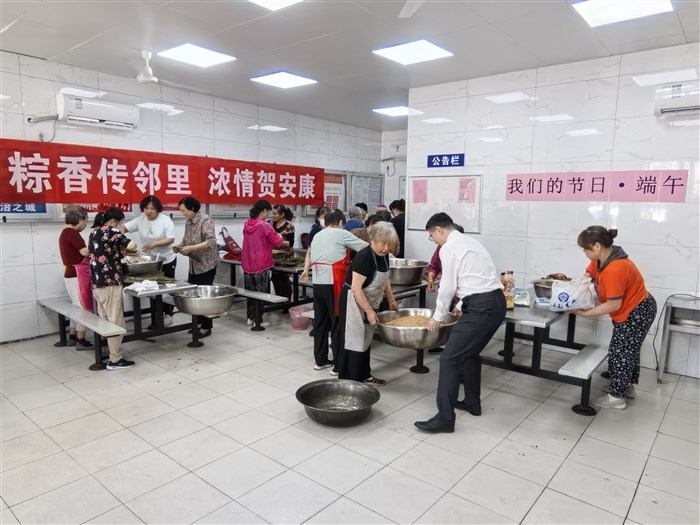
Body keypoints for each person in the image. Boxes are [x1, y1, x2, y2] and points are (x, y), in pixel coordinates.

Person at [414, 213, 506, 433]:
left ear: (439, 230)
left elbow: (447, 287)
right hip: (496, 303)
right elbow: (480, 279)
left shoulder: (449, 248)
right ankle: (472, 403)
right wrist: (463, 303)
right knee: (468, 354)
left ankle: (445, 418)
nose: (434, 241)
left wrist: (437, 317)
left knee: (449, 359)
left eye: (432, 237)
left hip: (481, 308)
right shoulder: (471, 243)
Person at [571, 226, 657, 409]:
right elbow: (591, 271)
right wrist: (581, 283)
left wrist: (584, 313)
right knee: (627, 351)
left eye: (585, 248)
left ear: (597, 246)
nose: (584, 252)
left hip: (637, 312)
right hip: (634, 309)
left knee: (621, 352)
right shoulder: (603, 258)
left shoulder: (616, 268)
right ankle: (625, 388)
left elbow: (613, 305)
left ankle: (616, 397)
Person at [301, 209, 367, 371]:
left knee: (321, 322)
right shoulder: (341, 233)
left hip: (318, 282)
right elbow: (366, 247)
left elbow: (310, 254)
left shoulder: (318, 235)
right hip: (334, 282)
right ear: (341, 222)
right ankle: (338, 365)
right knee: (337, 322)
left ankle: (320, 360)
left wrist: (305, 270)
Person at [337, 222, 400, 384]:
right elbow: (356, 288)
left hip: (370, 301)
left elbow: (385, 279)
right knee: (354, 341)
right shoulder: (364, 257)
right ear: (373, 239)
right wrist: (369, 311)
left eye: (389, 244)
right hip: (353, 301)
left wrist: (391, 299)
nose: (386, 248)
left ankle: (364, 375)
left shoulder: (384, 256)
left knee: (366, 339)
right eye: (382, 244)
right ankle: (349, 382)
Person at [88, 207, 137, 370]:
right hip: (110, 283)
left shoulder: (94, 231)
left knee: (104, 320)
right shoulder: (111, 231)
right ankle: (115, 359)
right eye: (121, 222)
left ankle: (107, 352)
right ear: (114, 221)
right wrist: (121, 233)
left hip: (97, 283)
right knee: (115, 321)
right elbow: (132, 245)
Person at [122, 196, 176, 326]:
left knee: (166, 288)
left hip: (166, 259)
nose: (148, 211)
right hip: (151, 261)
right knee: (152, 289)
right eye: (146, 208)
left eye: (151, 209)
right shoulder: (141, 219)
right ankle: (156, 316)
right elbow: (123, 227)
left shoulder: (165, 220)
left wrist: (155, 244)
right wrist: (120, 238)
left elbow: (170, 239)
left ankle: (168, 314)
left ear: (158, 209)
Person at [173, 196, 218, 338]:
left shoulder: (205, 220)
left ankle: (206, 326)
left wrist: (191, 248)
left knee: (204, 296)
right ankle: (197, 323)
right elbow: (186, 239)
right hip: (193, 263)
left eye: (184, 210)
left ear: (192, 208)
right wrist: (179, 246)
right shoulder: (188, 221)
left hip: (206, 264)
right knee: (194, 295)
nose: (183, 213)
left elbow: (211, 242)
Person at [242, 200, 289, 326]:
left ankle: (250, 317)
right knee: (261, 293)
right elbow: (277, 241)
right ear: (264, 211)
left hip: (247, 262)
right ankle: (258, 320)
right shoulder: (264, 225)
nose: (269, 215)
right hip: (261, 263)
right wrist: (280, 236)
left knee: (250, 293)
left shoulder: (247, 223)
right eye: (268, 212)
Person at [425, 224, 465, 355]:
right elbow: (433, 265)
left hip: (462, 294)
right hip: (451, 293)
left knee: (458, 321)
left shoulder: (460, 249)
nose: (434, 241)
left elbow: (452, 282)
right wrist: (431, 279)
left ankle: (453, 347)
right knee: (447, 317)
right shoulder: (442, 247)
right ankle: (444, 343)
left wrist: (460, 304)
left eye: (432, 236)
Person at [58, 205, 93, 350]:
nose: (86, 224)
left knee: (76, 306)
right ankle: (81, 339)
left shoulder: (64, 232)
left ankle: (72, 336)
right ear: (80, 219)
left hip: (69, 273)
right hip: (77, 274)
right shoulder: (73, 233)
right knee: (84, 307)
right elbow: (85, 252)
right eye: (85, 221)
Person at [269, 204, 295, 303]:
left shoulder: (289, 225)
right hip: (273, 256)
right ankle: (279, 300)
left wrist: (279, 241)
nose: (273, 215)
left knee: (284, 279)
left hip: (285, 257)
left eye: (275, 214)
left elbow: (290, 243)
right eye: (272, 213)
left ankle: (287, 302)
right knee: (275, 278)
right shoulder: (270, 223)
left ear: (282, 215)